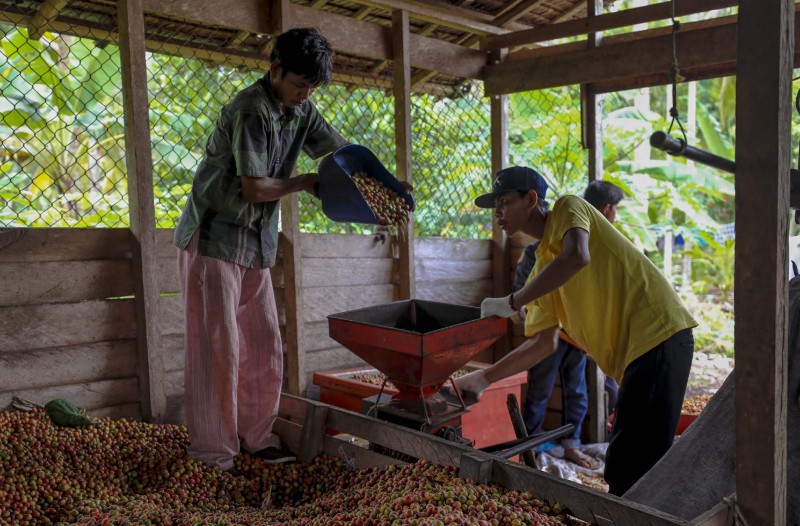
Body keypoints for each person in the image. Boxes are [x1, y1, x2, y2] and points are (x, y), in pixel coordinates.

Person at [447, 166, 696, 496]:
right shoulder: (542, 269)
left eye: (504, 202)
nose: (499, 214)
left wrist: (512, 301)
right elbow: (542, 345)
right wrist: (483, 379)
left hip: (660, 336)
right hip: (639, 356)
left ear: (532, 199)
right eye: (496, 207)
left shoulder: (568, 207)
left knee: (631, 470)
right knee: (629, 467)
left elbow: (577, 255)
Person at [174, 28, 347, 473]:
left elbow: (342, 154)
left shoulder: (300, 109)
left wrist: (383, 182)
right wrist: (305, 182)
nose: (305, 93)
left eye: (311, 87)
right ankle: (214, 453)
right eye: (298, 84)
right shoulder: (250, 109)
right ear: (275, 71)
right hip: (214, 238)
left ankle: (256, 437)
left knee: (263, 341)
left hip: (254, 243)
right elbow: (253, 189)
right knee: (219, 347)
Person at [514, 179, 625, 470]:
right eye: (616, 210)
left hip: (576, 337)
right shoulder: (536, 252)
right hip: (550, 336)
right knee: (539, 390)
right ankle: (532, 447)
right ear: (605, 209)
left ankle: (571, 447)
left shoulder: (590, 248)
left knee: (577, 392)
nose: (616, 216)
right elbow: (524, 297)